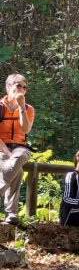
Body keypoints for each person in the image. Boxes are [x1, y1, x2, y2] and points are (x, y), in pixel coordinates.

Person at [0, 74, 35, 225]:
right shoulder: (0, 107)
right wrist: (7, 152)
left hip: (20, 148)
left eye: (24, 87)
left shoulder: (28, 109)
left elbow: (25, 129)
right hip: (1, 146)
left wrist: (21, 108)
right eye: (18, 85)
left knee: (18, 159)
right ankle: (11, 213)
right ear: (8, 87)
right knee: (16, 170)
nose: (21, 89)